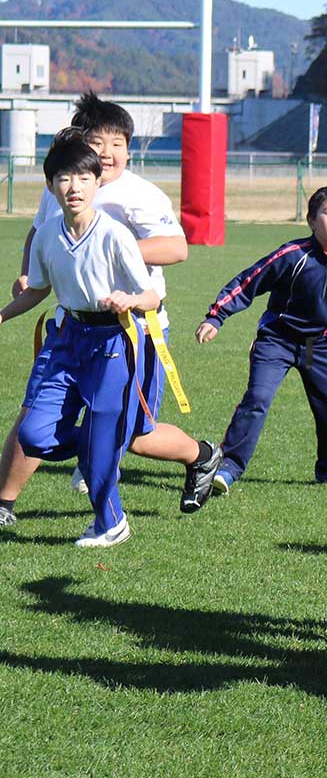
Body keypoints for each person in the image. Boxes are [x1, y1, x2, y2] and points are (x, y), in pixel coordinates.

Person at [0, 91, 221, 528]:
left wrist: (103, 250)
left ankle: (201, 455)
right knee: (35, 415)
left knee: (135, 434)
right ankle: (4, 502)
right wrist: (32, 271)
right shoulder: (66, 180)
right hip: (70, 326)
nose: (108, 152)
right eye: (98, 141)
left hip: (130, 327)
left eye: (118, 142)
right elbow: (39, 233)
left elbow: (177, 249)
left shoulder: (140, 195)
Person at [0, 129, 162, 546]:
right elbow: (37, 289)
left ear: (97, 182)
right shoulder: (48, 234)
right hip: (67, 338)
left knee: (99, 442)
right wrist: (1, 316)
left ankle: (111, 523)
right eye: (65, 179)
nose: (75, 187)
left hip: (114, 343)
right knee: (34, 434)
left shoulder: (115, 235)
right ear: (51, 185)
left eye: (84, 178)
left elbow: (152, 296)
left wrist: (130, 299)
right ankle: (99, 443)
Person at [196, 186, 327, 493]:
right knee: (257, 399)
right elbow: (249, 282)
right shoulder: (291, 256)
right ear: (311, 220)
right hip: (278, 340)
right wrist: (217, 316)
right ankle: (228, 467)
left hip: (318, 345)